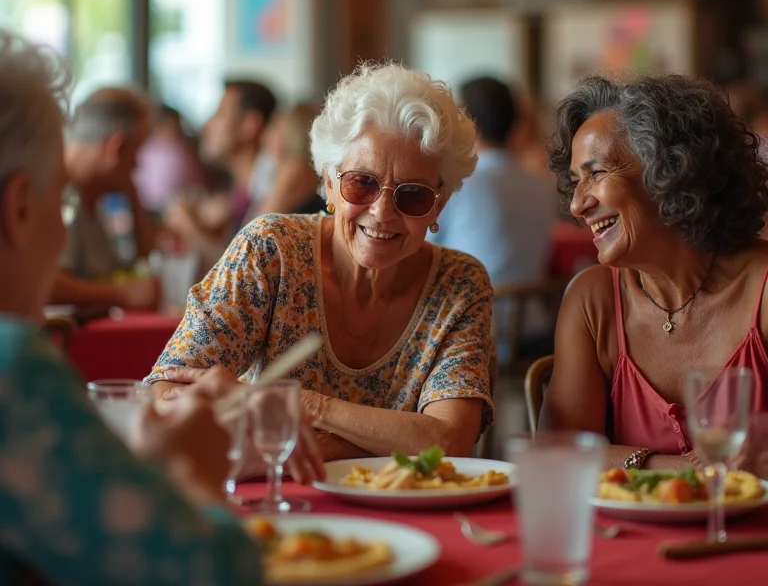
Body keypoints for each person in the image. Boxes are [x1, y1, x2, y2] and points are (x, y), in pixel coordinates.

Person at [0, 30, 268, 585]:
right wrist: (189, 470)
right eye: (56, 197)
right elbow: (216, 572)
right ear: (19, 208)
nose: (62, 228)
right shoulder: (13, 370)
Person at [147, 62, 494, 460]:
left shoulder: (459, 284)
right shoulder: (270, 251)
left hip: (383, 498)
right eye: (361, 183)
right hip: (276, 497)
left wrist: (300, 407)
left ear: (440, 203)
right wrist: (386, 440)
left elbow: (450, 440)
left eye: (412, 194)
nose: (382, 213)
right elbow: (166, 393)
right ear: (329, 182)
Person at [541, 74, 768, 471]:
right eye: (575, 181)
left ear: (672, 170)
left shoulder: (762, 286)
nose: (576, 205)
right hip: (634, 517)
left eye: (596, 173)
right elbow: (560, 453)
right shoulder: (593, 301)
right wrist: (681, 470)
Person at [429, 76, 556, 289]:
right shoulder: (542, 185)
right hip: (530, 307)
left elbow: (422, 246)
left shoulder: (458, 183)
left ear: (470, 125)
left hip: (469, 305)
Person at [49, 87, 160, 310]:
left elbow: (141, 260)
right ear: (117, 148)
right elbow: (45, 284)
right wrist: (122, 294)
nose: (136, 166)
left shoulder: (92, 197)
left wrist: (133, 196)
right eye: (136, 152)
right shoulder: (57, 192)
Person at [164, 79, 277, 268]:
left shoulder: (272, 185)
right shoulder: (245, 189)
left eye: (219, 114)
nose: (206, 126)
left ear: (249, 124)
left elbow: (244, 269)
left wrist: (189, 227)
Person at [255, 102, 326, 217]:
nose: (266, 136)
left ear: (293, 133)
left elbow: (260, 222)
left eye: (274, 127)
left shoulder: (295, 169)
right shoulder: (299, 168)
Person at [133, 104, 205, 215]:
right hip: (150, 209)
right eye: (169, 126)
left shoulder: (182, 151)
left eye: (176, 127)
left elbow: (197, 185)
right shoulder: (146, 151)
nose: (173, 130)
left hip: (171, 209)